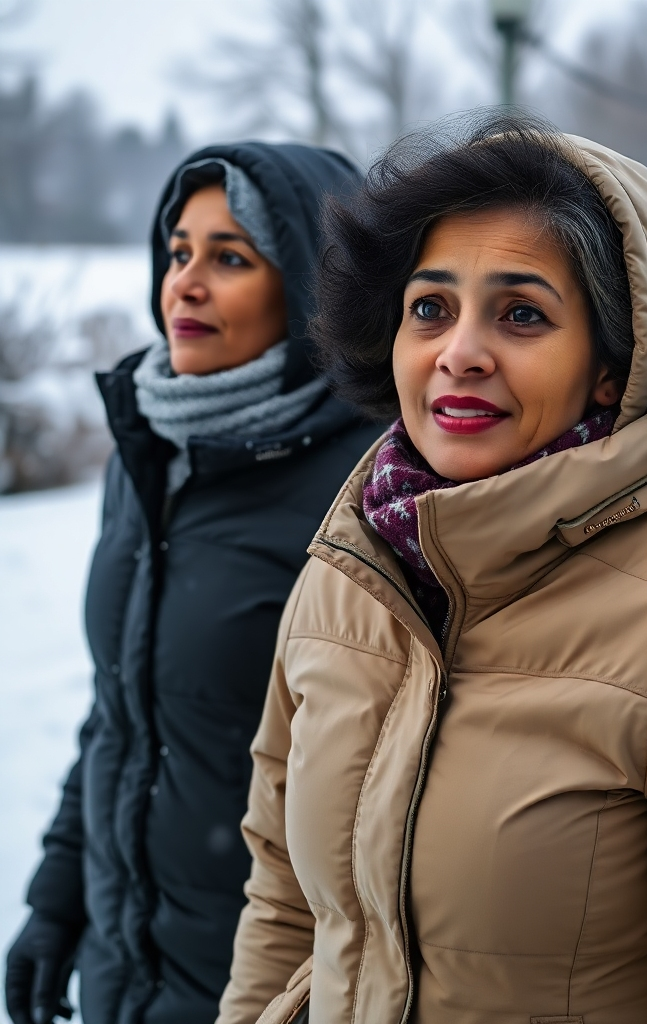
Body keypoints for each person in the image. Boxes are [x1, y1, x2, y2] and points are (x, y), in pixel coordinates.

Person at [215, 112, 647, 1024]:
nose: (460, 351)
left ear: (616, 365)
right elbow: (286, 905)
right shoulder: (351, 574)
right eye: (430, 309)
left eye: (522, 314)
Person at [4, 143, 382, 1024]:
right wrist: (59, 902)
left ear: (312, 286)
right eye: (178, 253)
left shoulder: (370, 489)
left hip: (271, 984)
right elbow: (124, 712)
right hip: (120, 970)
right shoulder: (148, 457)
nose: (187, 284)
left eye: (231, 258)